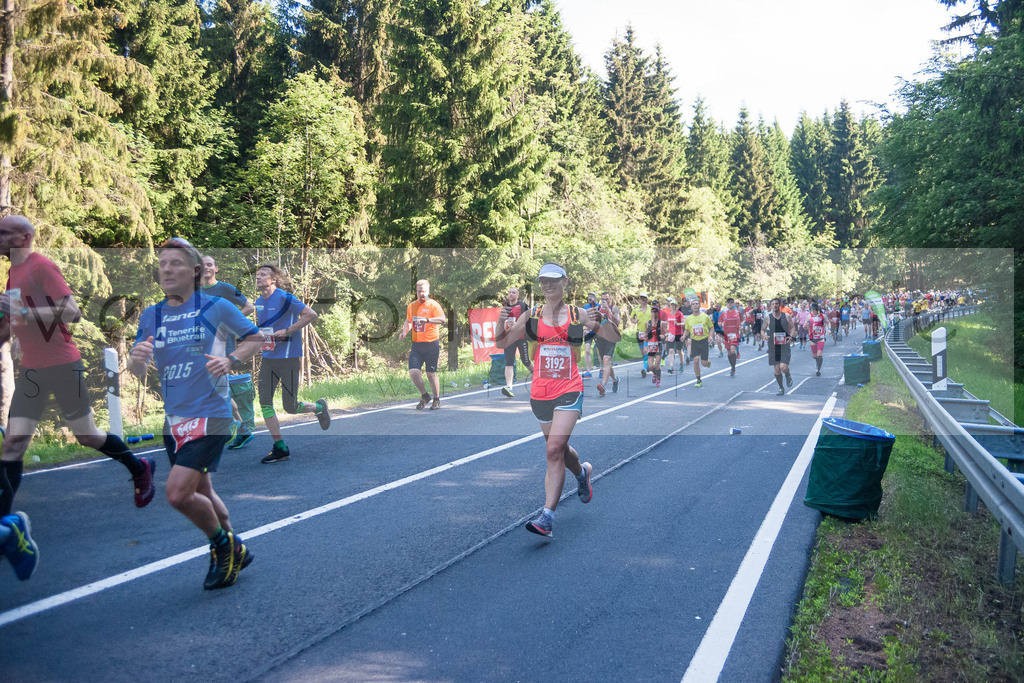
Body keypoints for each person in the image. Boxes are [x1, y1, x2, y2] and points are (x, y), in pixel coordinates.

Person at [0, 215, 156, 580]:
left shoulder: (41, 266)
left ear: (25, 237)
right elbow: (10, 323)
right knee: (13, 444)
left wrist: (24, 311)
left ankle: (139, 468)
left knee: (86, 435)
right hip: (33, 369)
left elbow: (72, 311)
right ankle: (8, 527)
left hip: (62, 364)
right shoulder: (12, 273)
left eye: (4, 233)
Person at [129, 237, 262, 589]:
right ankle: (237, 548)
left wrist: (230, 359)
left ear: (195, 271)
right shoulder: (152, 315)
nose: (167, 269)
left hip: (212, 414)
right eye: (162, 264)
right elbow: (137, 368)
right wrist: (136, 361)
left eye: (175, 263)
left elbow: (255, 338)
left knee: (178, 494)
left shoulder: (216, 306)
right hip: (174, 419)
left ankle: (223, 546)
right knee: (202, 490)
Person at [495, 262, 616, 539]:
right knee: (559, 449)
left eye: (554, 280)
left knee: (553, 450)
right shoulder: (532, 315)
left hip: (569, 388)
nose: (548, 285)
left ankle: (547, 517)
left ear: (565, 282)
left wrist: (606, 319)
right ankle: (582, 473)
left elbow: (612, 336)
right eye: (544, 281)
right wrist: (501, 321)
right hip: (540, 392)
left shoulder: (577, 313)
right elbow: (501, 343)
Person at [254, 264, 331, 464]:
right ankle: (280, 448)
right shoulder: (258, 302)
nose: (258, 277)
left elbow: (310, 314)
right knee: (265, 402)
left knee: (290, 407)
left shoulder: (284, 297)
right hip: (268, 359)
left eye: (263, 274)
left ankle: (318, 407)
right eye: (257, 274)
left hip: (288, 358)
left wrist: (288, 330)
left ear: (273, 279)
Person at [201, 255, 257, 450]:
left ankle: (232, 426)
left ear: (216, 268)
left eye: (210, 264)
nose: (206, 268)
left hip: (222, 344)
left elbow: (249, 306)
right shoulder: (195, 291)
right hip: (202, 344)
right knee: (213, 386)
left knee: (214, 385)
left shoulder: (225, 288)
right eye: (202, 265)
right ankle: (240, 427)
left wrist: (229, 321)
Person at [399, 279, 447, 410]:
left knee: (431, 375)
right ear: (416, 291)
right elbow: (408, 321)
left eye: (424, 291)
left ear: (428, 291)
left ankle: (436, 399)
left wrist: (427, 320)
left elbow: (442, 319)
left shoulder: (433, 305)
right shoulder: (412, 306)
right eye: (419, 291)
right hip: (417, 345)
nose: (421, 294)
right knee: (413, 373)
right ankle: (425, 396)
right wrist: (404, 332)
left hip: (431, 344)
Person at [500, 287, 534, 398]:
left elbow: (530, 319)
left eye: (513, 292)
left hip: (521, 337)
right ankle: (509, 387)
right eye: (509, 292)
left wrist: (519, 326)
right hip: (509, 339)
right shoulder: (504, 307)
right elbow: (501, 322)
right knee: (509, 362)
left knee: (526, 361)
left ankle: (537, 377)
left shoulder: (523, 306)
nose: (511, 294)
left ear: (517, 295)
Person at [763, 298, 796, 395]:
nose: (775, 305)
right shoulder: (768, 318)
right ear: (771, 306)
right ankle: (781, 387)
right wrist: (764, 336)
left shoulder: (786, 316)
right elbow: (762, 330)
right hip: (773, 346)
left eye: (776, 303)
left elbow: (793, 327)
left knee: (783, 367)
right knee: (777, 369)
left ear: (779, 305)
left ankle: (787, 374)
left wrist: (791, 336)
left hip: (784, 345)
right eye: (773, 304)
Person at [594, 292, 621, 396]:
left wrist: (608, 311)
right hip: (600, 338)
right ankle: (615, 379)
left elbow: (617, 323)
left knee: (607, 360)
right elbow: (593, 322)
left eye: (607, 299)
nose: (605, 301)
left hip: (611, 337)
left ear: (610, 299)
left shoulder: (615, 308)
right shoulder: (597, 309)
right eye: (603, 299)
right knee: (607, 364)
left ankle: (603, 385)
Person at [682, 300, 713, 387]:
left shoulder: (705, 317)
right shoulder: (689, 319)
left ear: (699, 306)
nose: (695, 305)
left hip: (704, 341)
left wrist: (710, 336)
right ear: (691, 307)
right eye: (693, 304)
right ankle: (698, 380)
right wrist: (683, 336)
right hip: (694, 341)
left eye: (697, 304)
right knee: (695, 360)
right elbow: (687, 330)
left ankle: (707, 362)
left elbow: (711, 327)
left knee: (704, 364)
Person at [630, 294, 652, 378]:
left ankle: (644, 368)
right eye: (641, 298)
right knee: (643, 351)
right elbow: (631, 318)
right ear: (639, 300)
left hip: (649, 332)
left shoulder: (651, 308)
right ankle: (647, 364)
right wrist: (634, 321)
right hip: (639, 332)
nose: (643, 299)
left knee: (646, 350)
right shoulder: (636, 309)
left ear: (647, 299)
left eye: (644, 298)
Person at [719, 298, 743, 376]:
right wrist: (720, 324)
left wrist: (741, 325)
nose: (730, 304)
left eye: (731, 303)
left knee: (733, 350)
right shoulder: (724, 313)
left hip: (735, 334)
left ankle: (733, 367)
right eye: (728, 303)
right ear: (726, 304)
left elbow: (742, 320)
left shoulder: (737, 312)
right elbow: (719, 322)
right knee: (729, 352)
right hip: (726, 335)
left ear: (733, 304)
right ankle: (732, 366)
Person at [661, 298, 684, 374]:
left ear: (676, 306)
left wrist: (678, 324)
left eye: (674, 305)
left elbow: (684, 323)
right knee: (671, 350)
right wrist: (666, 332)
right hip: (671, 334)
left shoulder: (679, 314)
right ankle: (671, 367)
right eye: (672, 305)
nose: (673, 306)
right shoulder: (668, 314)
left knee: (679, 351)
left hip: (679, 334)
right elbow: (667, 323)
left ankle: (681, 364)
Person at [645, 299, 664, 387]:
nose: (654, 313)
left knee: (656, 365)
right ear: (651, 313)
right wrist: (645, 339)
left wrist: (664, 335)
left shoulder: (661, 323)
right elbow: (645, 334)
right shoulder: (647, 323)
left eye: (656, 312)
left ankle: (658, 379)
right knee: (650, 366)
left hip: (658, 345)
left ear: (658, 313)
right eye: (652, 312)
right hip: (650, 346)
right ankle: (655, 374)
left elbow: (666, 333)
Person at [581, 292, 598, 378]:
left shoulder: (599, 306)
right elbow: (584, 319)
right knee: (587, 351)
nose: (589, 298)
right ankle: (588, 370)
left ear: (595, 298)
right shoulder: (585, 307)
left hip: (597, 331)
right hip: (588, 331)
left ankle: (602, 369)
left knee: (599, 351)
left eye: (591, 296)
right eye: (588, 297)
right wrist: (584, 329)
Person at [808, 302, 827, 376]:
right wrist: (805, 326)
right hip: (812, 337)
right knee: (814, 356)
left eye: (813, 309)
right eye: (812, 309)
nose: (813, 311)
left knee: (819, 354)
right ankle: (817, 362)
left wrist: (827, 329)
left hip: (820, 337)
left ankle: (818, 369)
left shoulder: (822, 315)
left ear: (816, 309)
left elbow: (827, 322)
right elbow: (805, 324)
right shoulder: (809, 316)